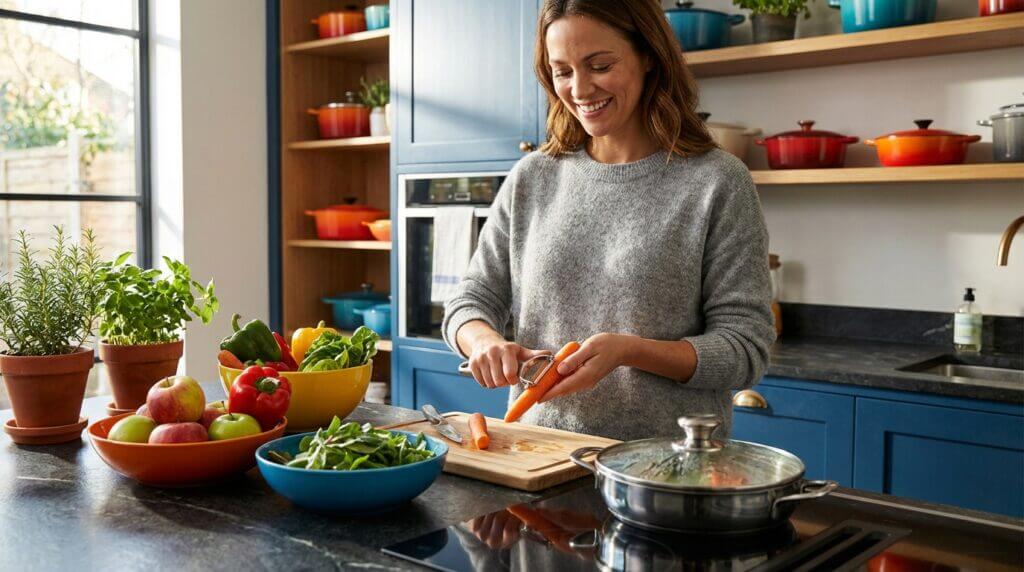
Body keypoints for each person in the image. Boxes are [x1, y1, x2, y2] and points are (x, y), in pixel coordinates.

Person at [441, 0, 775, 441]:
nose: (579, 89)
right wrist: (483, 342)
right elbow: (469, 302)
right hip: (540, 457)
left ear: (649, 58)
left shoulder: (717, 181)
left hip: (664, 473)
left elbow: (745, 350)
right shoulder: (533, 177)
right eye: (562, 71)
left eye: (599, 65)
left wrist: (630, 352)